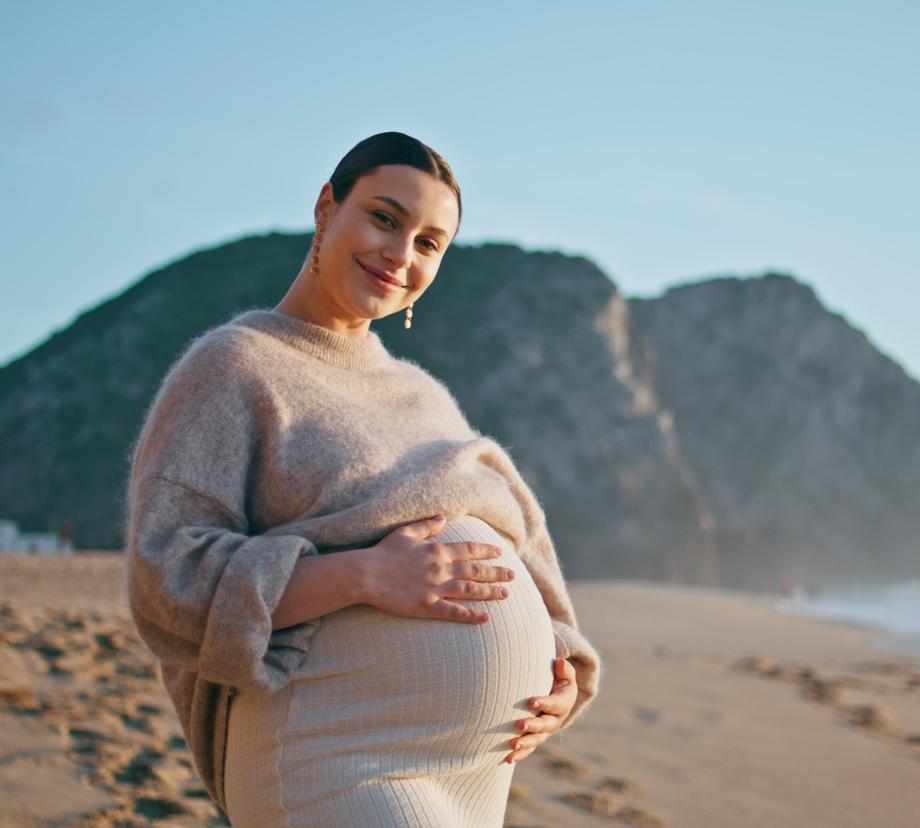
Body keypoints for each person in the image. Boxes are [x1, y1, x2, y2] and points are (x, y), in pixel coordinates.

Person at [125, 131, 601, 826]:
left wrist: (560, 668)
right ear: (327, 207)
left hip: (479, 773)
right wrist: (363, 576)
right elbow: (167, 577)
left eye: (430, 243)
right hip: (336, 750)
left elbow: (521, 543)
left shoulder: (422, 395)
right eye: (385, 218)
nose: (400, 254)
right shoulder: (234, 366)